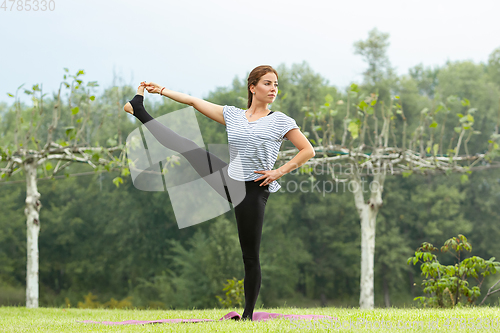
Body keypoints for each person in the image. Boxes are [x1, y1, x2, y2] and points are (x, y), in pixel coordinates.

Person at [123, 65, 315, 320]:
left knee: (250, 255)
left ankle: (247, 316)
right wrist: (163, 91)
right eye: (268, 83)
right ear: (253, 87)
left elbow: (307, 150)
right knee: (188, 147)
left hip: (254, 190)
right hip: (229, 178)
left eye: (276, 85)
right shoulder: (234, 115)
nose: (273, 89)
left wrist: (278, 172)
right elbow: (193, 101)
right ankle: (138, 109)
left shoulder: (280, 121)